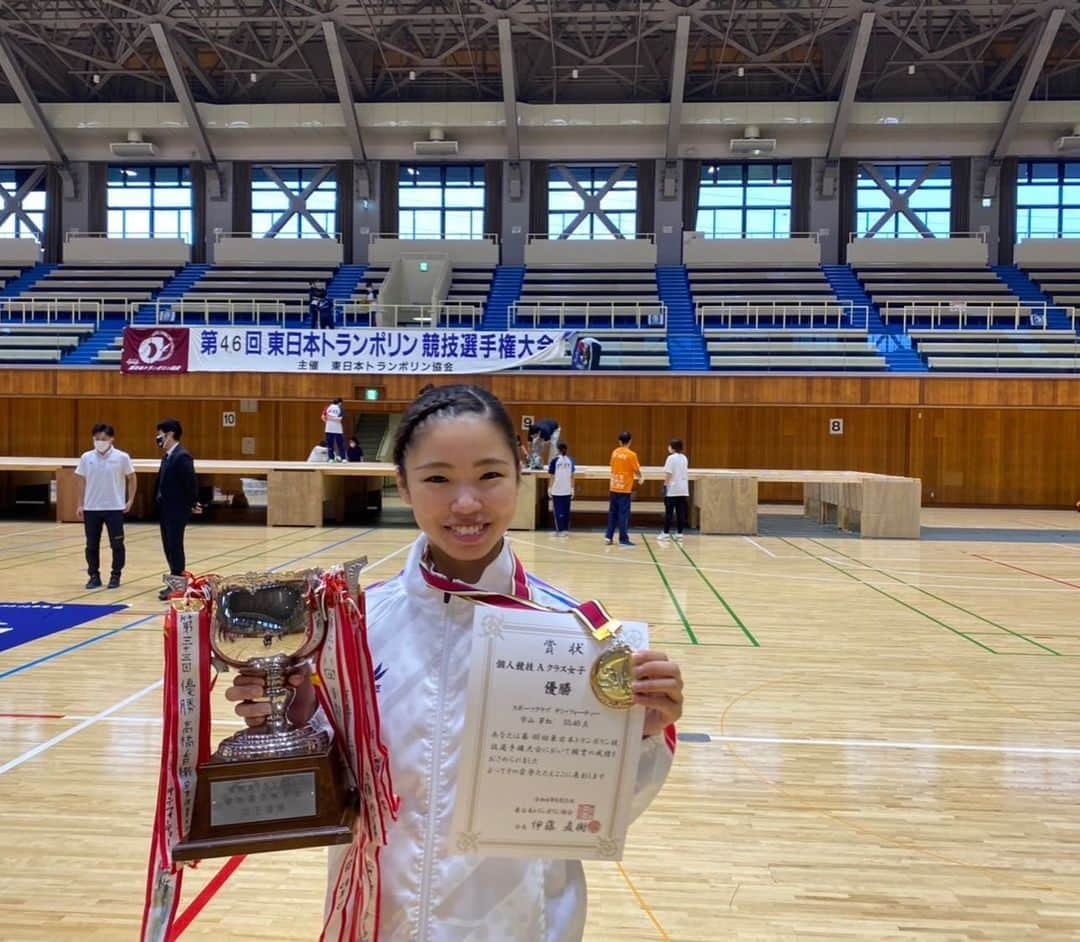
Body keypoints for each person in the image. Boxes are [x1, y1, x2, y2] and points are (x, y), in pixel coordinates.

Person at [224, 384, 683, 940]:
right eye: (438, 478)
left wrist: (640, 733)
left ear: (520, 473)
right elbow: (332, 796)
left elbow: (597, 817)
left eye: (489, 475)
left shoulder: (579, 636)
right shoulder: (351, 628)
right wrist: (297, 722)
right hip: (376, 918)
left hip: (521, 923)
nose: (466, 503)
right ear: (403, 485)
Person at [75, 423, 136, 589]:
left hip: (114, 508)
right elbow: (81, 481)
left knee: (117, 544)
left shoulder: (122, 457)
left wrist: (129, 500)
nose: (100, 442)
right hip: (92, 508)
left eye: (103, 439)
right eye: (96, 439)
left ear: (111, 439)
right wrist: (80, 504)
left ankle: (115, 575)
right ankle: (94, 575)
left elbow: (132, 478)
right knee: (91, 544)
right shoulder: (86, 457)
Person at [154, 419, 201, 601]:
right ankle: (173, 583)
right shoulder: (167, 456)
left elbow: (190, 483)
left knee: (175, 546)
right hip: (165, 509)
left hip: (176, 509)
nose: (158, 437)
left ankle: (178, 585)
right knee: (168, 546)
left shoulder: (182, 456)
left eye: (160, 433)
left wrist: (192, 503)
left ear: (170, 434)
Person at [605, 430, 642, 548]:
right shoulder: (632, 455)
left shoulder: (614, 452)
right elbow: (636, 470)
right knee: (623, 514)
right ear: (630, 441)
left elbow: (612, 465)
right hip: (624, 489)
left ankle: (608, 536)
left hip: (614, 486)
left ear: (619, 441)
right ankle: (623, 539)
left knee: (612, 513)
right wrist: (641, 477)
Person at [658, 438, 689, 542]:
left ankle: (665, 533)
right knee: (680, 512)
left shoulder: (671, 458)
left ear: (673, 447)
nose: (668, 447)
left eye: (669, 446)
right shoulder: (684, 458)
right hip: (683, 489)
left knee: (669, 513)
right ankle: (680, 534)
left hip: (672, 489)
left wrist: (665, 486)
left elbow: (668, 473)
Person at [548, 440, 575, 537]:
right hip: (567, 490)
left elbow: (552, 476)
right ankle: (565, 530)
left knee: (558, 511)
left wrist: (550, 488)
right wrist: (572, 488)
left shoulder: (554, 461)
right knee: (566, 510)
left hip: (557, 490)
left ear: (557, 450)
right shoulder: (570, 460)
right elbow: (572, 476)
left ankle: (560, 530)